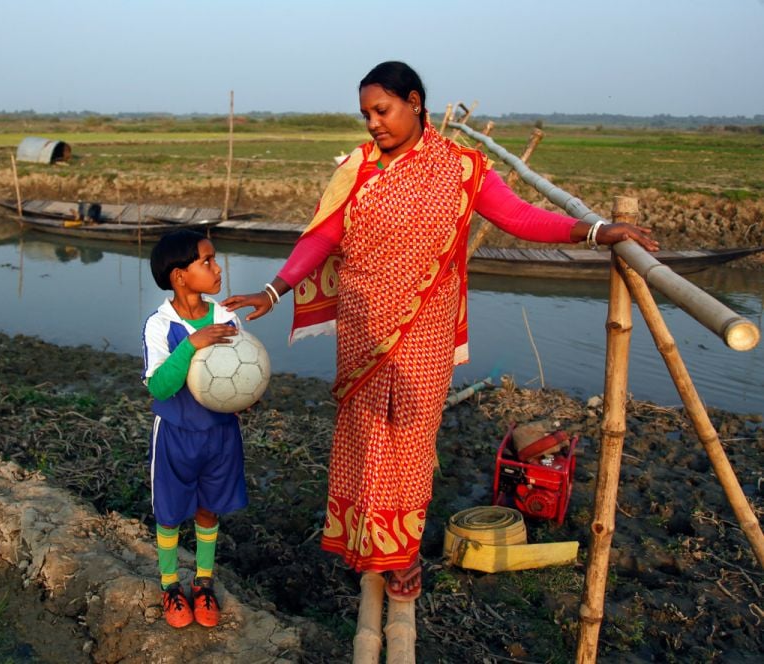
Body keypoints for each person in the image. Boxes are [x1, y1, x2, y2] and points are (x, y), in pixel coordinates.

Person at [222, 61, 658, 601]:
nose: (373, 124)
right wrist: (272, 290)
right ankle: (363, 544)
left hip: (424, 331)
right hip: (363, 327)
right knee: (362, 438)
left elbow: (520, 218)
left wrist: (595, 230)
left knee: (409, 439)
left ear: (415, 102)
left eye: (381, 110)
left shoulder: (461, 169)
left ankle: (398, 553)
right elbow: (321, 237)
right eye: (365, 115)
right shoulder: (357, 169)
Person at [142, 230, 248, 628]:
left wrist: (249, 394)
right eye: (206, 261)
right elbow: (159, 386)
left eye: (214, 259)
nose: (218, 268)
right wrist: (192, 344)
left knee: (208, 509)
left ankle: (203, 582)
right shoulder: (160, 324)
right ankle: (170, 586)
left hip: (221, 433)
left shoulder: (225, 318)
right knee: (170, 514)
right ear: (179, 276)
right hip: (175, 432)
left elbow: (240, 372)